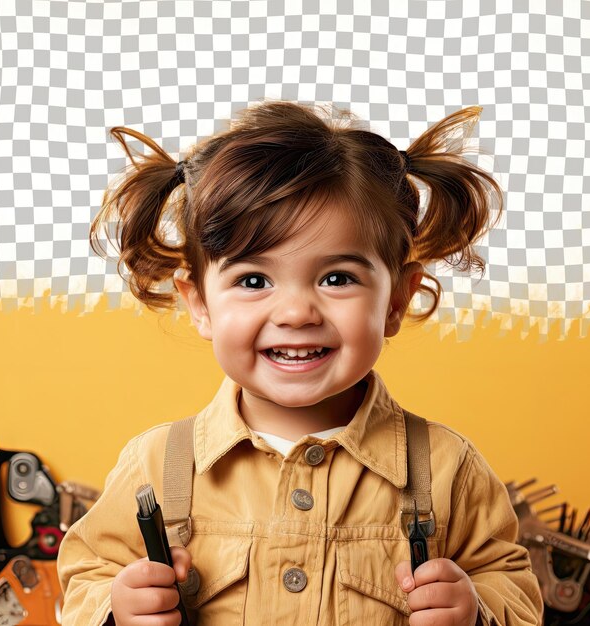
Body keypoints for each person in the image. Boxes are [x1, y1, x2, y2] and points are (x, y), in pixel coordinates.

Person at [57, 100, 543, 626]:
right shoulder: (155, 465)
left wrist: (475, 612)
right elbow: (86, 575)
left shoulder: (449, 470)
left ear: (397, 301)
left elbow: (513, 587)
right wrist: (116, 610)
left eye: (337, 278)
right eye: (252, 280)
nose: (295, 313)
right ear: (199, 303)